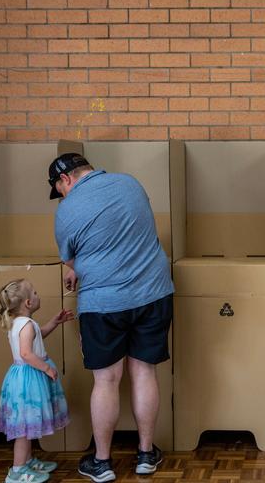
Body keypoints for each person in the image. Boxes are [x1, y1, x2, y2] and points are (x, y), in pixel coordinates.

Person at [48, 153, 174, 482]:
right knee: (144, 372)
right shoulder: (131, 184)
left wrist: (76, 269)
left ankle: (102, 463)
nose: (61, 196)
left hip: (103, 302)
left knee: (106, 381)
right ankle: (146, 454)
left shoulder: (67, 210)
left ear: (65, 180)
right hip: (153, 292)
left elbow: (72, 258)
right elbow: (139, 233)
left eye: (59, 189)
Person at [0, 279, 73, 483]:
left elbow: (37, 338)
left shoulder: (19, 323)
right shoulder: (27, 325)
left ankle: (27, 461)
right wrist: (46, 368)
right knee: (24, 428)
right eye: (36, 293)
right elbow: (27, 353)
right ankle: (17, 470)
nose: (39, 295)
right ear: (28, 303)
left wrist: (54, 323)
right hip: (29, 378)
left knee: (27, 424)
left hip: (22, 377)